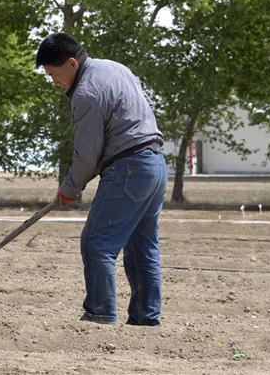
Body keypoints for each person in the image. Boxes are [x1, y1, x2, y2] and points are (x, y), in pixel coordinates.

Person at [36, 32, 167, 326]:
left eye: (54, 74)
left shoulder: (86, 93)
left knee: (97, 243)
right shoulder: (115, 68)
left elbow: (86, 155)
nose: (54, 82)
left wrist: (69, 188)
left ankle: (100, 315)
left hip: (129, 169)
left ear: (71, 64)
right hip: (155, 166)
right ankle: (146, 318)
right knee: (142, 246)